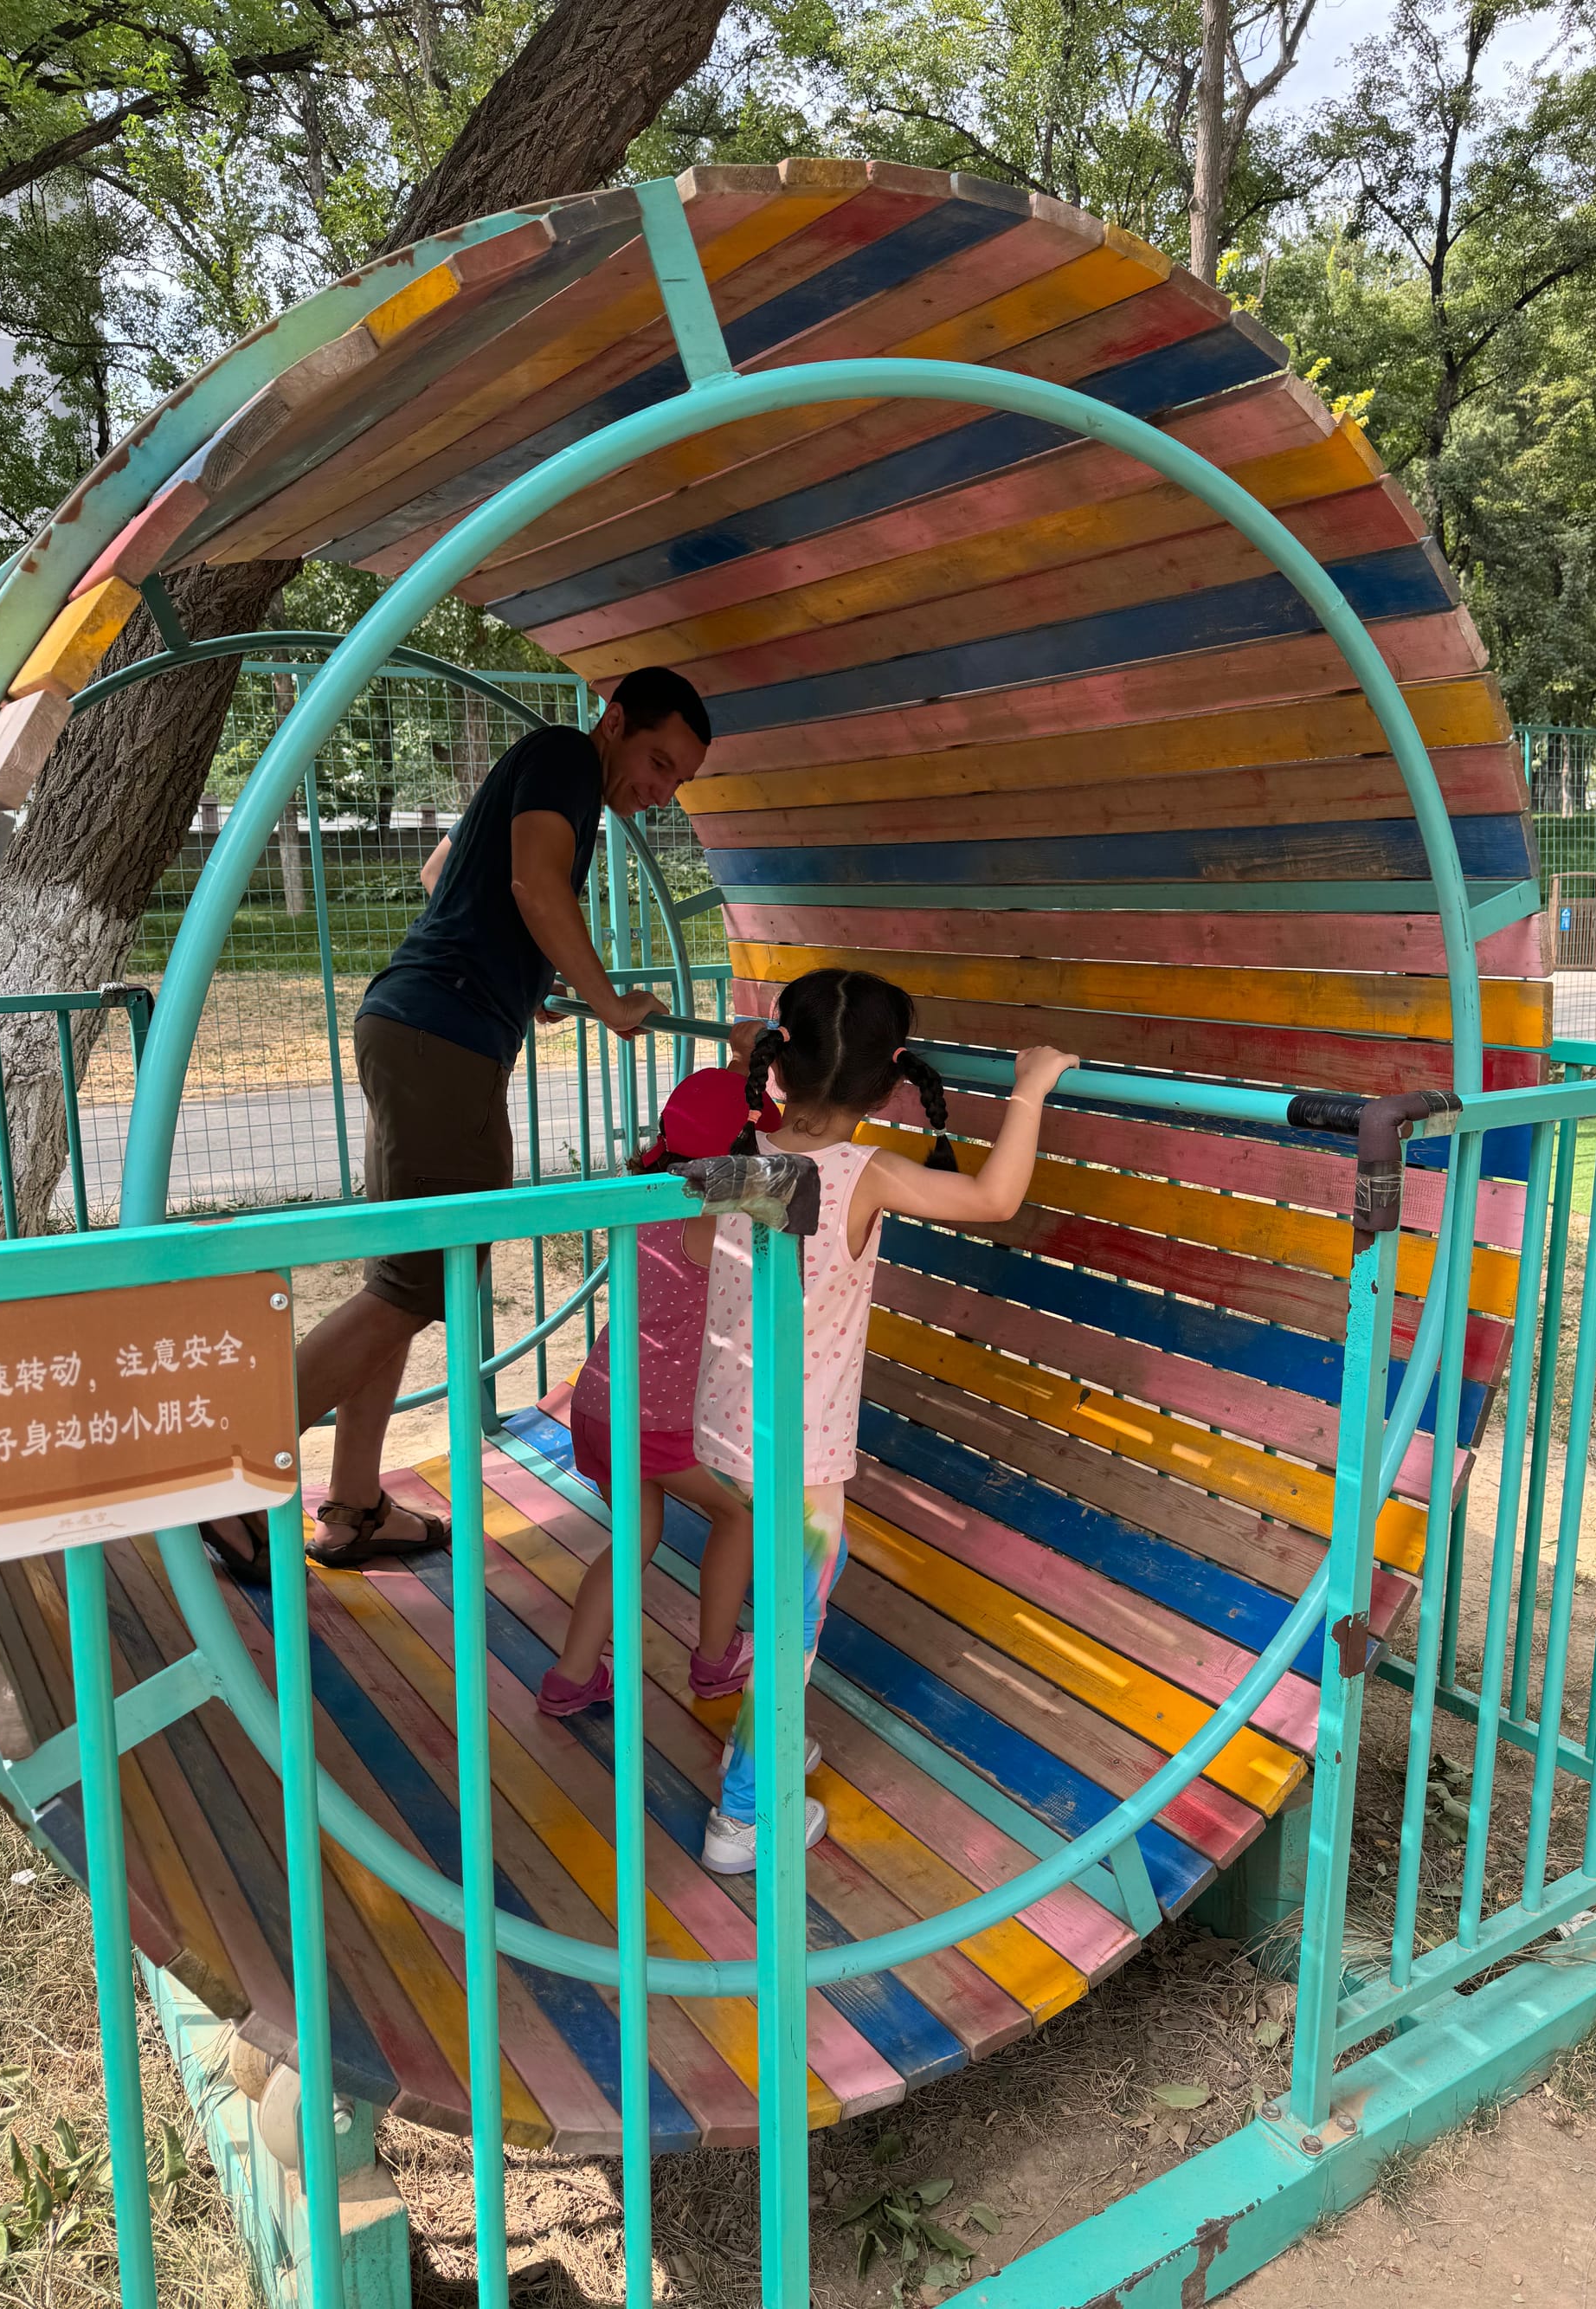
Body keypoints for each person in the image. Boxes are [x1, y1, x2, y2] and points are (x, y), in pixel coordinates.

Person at [199, 666, 710, 1581]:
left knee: (406, 1276)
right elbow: (531, 885)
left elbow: (447, 873)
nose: (662, 791)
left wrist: (531, 980)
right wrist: (601, 996)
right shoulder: (564, 756)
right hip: (444, 1037)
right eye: (659, 761)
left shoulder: (552, 775)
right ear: (617, 721)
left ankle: (354, 1508)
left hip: (417, 1024)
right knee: (412, 1284)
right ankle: (229, 1482)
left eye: (679, 781)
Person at [692, 966, 1078, 1875]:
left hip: (722, 1430)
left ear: (776, 1065)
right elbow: (992, 1200)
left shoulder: (739, 1150)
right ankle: (744, 1817)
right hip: (798, 1450)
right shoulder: (862, 1172)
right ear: (895, 1076)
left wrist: (758, 1062)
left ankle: (764, 1745)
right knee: (796, 1621)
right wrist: (1025, 1091)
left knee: (779, 1591)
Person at [537, 1042, 782, 1717]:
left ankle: (572, 1673)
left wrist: (741, 1062)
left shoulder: (641, 1196)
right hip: (665, 1421)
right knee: (737, 1513)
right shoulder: (721, 1214)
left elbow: (716, 1124)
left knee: (634, 1538)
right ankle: (714, 1658)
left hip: (599, 1402)